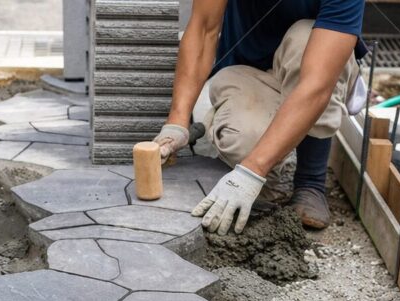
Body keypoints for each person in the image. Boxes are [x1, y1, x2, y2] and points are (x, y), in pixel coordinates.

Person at [152, 0, 367, 234]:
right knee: (243, 145)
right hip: (248, 72)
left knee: (304, 39)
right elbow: (203, 29)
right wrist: (177, 123)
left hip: (312, 67)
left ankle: (311, 182)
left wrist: (251, 172)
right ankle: (268, 177)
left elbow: (317, 85)